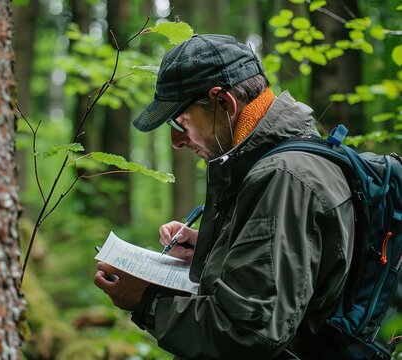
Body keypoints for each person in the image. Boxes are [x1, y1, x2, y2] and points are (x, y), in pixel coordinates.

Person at [93, 34, 354, 359]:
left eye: (180, 121)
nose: (176, 141)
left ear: (223, 102)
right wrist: (214, 249)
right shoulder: (282, 165)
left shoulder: (284, 178)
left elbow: (248, 334)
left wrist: (146, 302)